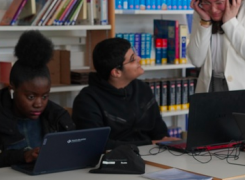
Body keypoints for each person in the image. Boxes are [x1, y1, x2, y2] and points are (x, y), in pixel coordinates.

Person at [72, 37, 176, 149]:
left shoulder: (142, 88)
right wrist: (150, 143)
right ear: (116, 72)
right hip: (113, 159)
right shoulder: (87, 101)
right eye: (132, 59)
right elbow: (97, 144)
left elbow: (159, 131)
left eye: (135, 54)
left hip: (152, 154)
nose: (139, 59)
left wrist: (167, 141)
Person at [0, 30, 75, 167]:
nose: (39, 104)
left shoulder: (57, 117)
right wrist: (22, 156)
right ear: (12, 89)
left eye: (45, 96)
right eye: (30, 97)